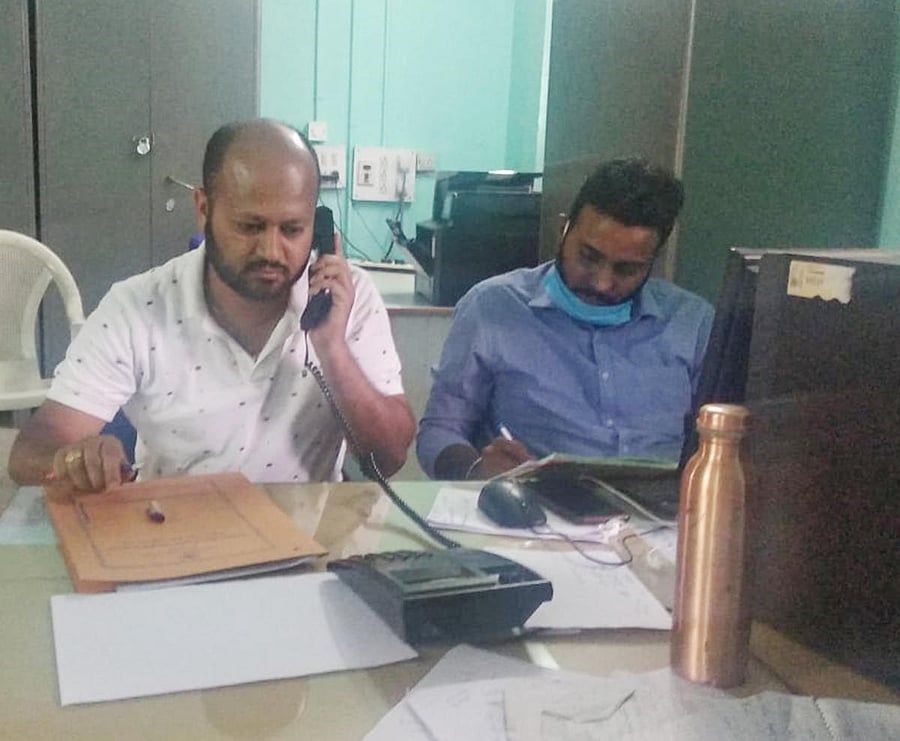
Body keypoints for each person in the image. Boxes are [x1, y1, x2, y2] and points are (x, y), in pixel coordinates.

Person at [9, 119, 415, 491]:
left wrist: (332, 347)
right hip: (177, 534)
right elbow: (31, 452)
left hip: (307, 540)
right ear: (204, 210)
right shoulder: (137, 307)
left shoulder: (348, 298)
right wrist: (76, 461)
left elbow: (391, 459)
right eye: (249, 226)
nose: (272, 250)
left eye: (293, 229)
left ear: (318, 226)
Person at [416, 158, 714, 480]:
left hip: (663, 520)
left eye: (626, 269)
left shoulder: (692, 323)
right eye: (589, 256)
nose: (602, 282)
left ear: (653, 260)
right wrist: (475, 469)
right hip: (535, 514)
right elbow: (439, 431)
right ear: (564, 230)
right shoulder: (493, 308)